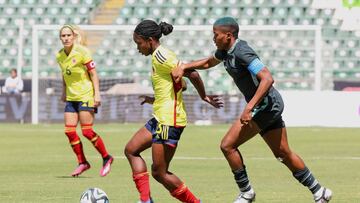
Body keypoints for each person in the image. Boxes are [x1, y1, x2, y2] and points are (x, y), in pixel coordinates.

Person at [172, 17, 332, 203]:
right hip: (269, 105)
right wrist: (185, 66)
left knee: (227, 145)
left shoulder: (242, 52)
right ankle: (320, 192)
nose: (213, 38)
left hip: (265, 105)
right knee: (283, 153)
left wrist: (249, 108)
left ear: (228, 35)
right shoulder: (225, 51)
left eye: (215, 35)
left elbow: (267, 78)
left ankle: (246, 193)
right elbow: (208, 63)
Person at [124, 20, 223, 203]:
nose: (138, 48)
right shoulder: (156, 57)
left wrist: (203, 96)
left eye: (139, 43)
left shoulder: (162, 56)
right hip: (160, 117)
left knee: (159, 172)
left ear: (150, 40)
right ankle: (145, 200)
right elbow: (180, 85)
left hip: (169, 120)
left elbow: (191, 73)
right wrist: (154, 99)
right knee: (131, 150)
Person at [56, 24, 113, 177]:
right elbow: (64, 75)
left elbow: (93, 74)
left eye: (69, 35)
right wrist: (63, 92)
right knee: (69, 131)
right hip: (71, 97)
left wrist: (97, 94)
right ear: (60, 38)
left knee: (87, 131)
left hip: (86, 95)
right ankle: (83, 162)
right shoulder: (59, 55)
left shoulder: (83, 52)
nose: (66, 38)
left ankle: (106, 158)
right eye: (63, 36)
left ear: (74, 37)